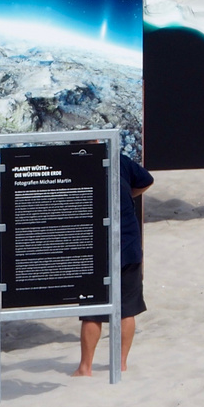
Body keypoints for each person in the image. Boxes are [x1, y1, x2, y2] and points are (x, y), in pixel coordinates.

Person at [74, 153, 153, 377]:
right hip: (128, 243)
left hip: (97, 246)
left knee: (92, 311)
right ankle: (120, 364)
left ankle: (85, 367)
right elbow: (146, 180)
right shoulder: (119, 158)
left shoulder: (75, 164)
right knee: (127, 308)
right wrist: (128, 195)